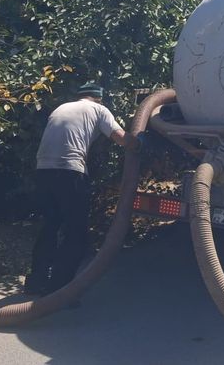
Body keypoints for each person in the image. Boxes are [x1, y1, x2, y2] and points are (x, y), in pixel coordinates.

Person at [25, 81, 133, 295]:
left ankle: (35, 282)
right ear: (98, 98)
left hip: (43, 171)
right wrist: (139, 143)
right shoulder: (98, 109)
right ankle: (60, 291)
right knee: (76, 233)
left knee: (50, 226)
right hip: (70, 172)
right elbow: (121, 138)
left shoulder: (62, 108)